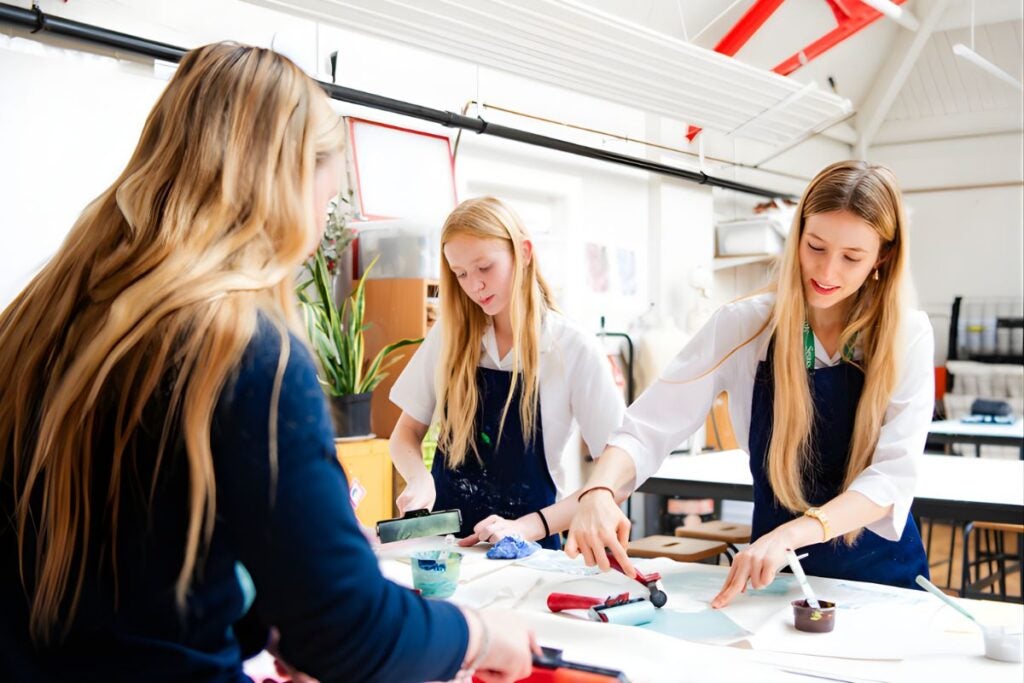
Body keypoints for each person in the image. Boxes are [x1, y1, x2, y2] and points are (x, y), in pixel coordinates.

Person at [0, 42, 535, 682]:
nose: (310, 238)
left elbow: (138, 559)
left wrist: (281, 596)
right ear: (284, 186)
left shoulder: (38, 318)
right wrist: (478, 634)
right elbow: (347, 630)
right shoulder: (241, 348)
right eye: (322, 200)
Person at [564, 161, 934, 606]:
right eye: (815, 246)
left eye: (852, 257)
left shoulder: (906, 335)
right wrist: (600, 488)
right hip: (773, 585)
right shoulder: (745, 327)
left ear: (883, 257)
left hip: (883, 587)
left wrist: (792, 534)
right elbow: (647, 426)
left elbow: (892, 477)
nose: (827, 271)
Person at [388, 196, 625, 550]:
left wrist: (528, 527)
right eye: (461, 274)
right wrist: (419, 479)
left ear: (524, 253)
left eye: (485, 268)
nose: (474, 286)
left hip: (525, 553)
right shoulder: (449, 338)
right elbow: (405, 432)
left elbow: (618, 477)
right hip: (444, 550)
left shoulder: (571, 348)